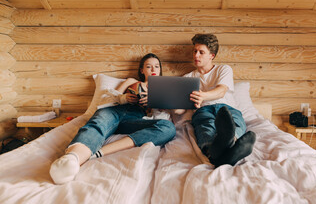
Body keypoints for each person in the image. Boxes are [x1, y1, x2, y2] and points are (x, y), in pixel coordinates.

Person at [49, 53, 176, 184]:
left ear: (160, 70)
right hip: (115, 111)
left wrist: (155, 101)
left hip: (134, 120)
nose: (153, 70)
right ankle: (72, 158)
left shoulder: (163, 90)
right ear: (142, 70)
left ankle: (100, 152)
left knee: (169, 128)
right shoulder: (132, 81)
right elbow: (108, 98)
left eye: (156, 66)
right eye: (149, 66)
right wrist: (124, 98)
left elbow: (170, 112)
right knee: (97, 124)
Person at [182, 34, 256, 167]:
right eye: (195, 51)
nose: (196, 55)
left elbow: (221, 91)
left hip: (226, 107)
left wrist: (202, 96)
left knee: (234, 122)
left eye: (201, 52)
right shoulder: (188, 78)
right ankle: (230, 149)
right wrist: (167, 104)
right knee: (207, 125)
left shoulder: (223, 69)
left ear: (212, 56)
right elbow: (180, 109)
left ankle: (225, 143)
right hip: (203, 110)